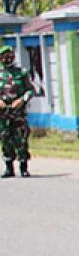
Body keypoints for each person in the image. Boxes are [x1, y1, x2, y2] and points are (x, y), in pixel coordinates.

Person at [0, 44, 33, 178]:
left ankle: (23, 167)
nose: (8, 58)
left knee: (21, 139)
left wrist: (22, 100)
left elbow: (30, 90)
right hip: (2, 114)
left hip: (18, 113)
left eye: (10, 55)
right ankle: (9, 167)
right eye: (4, 56)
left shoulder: (22, 72)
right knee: (5, 138)